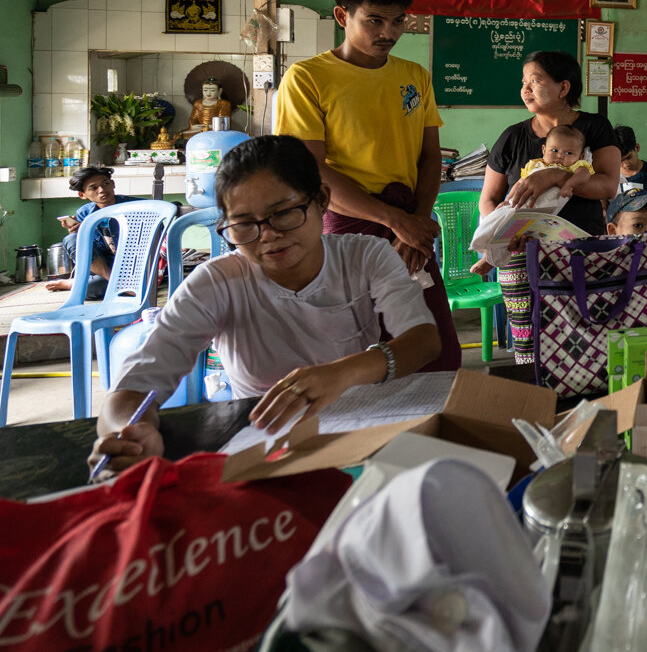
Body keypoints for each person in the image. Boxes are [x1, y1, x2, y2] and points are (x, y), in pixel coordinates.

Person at [89, 136, 442, 475]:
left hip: (360, 431)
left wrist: (342, 372)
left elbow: (424, 340)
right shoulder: (217, 282)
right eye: (244, 225)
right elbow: (131, 390)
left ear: (321, 200)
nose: (268, 235)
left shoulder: (365, 256)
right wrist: (125, 437)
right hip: (265, 444)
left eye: (283, 213)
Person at [273, 0, 460, 371]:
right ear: (343, 15)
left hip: (411, 225)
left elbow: (430, 157)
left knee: (433, 348)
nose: (388, 33)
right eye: (374, 20)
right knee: (358, 353)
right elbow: (311, 171)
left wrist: (415, 224)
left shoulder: (415, 76)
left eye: (397, 21)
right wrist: (396, 221)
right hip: (347, 229)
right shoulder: (307, 78)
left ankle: (430, 433)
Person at [478, 50, 621, 364]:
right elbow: (488, 199)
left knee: (584, 342)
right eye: (524, 82)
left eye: (536, 80)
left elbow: (608, 185)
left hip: (580, 251)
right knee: (529, 345)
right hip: (521, 255)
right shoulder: (512, 138)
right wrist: (503, 232)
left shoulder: (595, 128)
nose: (526, 89)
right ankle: (535, 398)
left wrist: (556, 176)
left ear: (563, 88)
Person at [47, 166, 140, 298]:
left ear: (112, 184)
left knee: (88, 288)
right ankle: (117, 283)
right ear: (82, 194)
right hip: (105, 268)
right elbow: (85, 251)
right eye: (93, 188)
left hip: (134, 267)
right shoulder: (84, 213)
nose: (102, 190)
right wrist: (77, 233)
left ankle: (74, 284)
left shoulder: (139, 207)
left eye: (105, 183)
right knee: (71, 240)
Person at [517, 124, 594, 202]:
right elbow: (520, 183)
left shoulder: (574, 166)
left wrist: (568, 185)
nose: (560, 156)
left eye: (568, 153)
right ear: (544, 150)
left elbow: (584, 175)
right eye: (554, 150)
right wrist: (508, 199)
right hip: (525, 203)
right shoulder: (535, 165)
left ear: (580, 157)